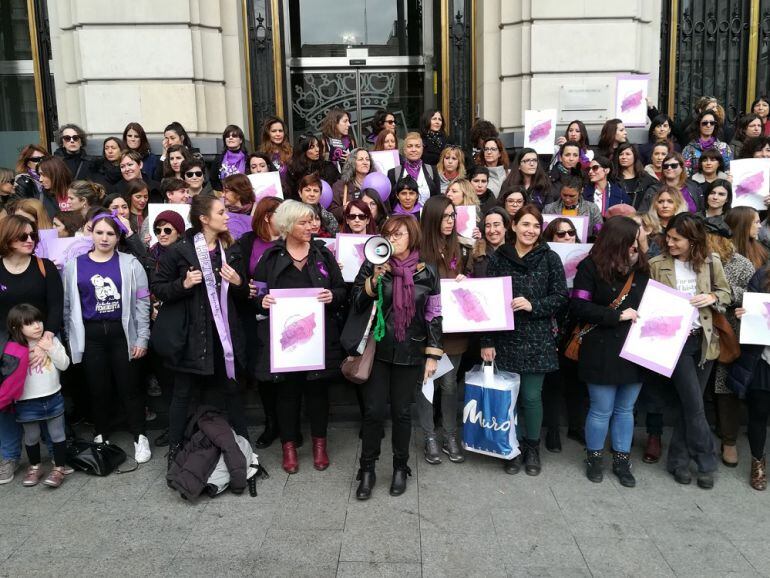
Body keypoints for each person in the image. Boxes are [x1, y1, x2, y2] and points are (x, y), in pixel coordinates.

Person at [151, 194, 250, 467]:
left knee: (232, 390)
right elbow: (158, 287)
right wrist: (182, 284)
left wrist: (239, 280)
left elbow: (244, 294)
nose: (227, 216)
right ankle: (175, 448)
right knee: (182, 394)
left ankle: (243, 444)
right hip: (191, 336)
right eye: (221, 213)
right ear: (204, 219)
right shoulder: (180, 251)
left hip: (224, 336)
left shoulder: (231, 249)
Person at [351, 215, 443, 499]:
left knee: (403, 413)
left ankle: (400, 468)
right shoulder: (374, 264)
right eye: (389, 233)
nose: (393, 238)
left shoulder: (427, 271)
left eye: (400, 234)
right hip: (378, 349)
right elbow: (355, 302)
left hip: (411, 350)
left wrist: (433, 355)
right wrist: (373, 279)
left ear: (412, 236)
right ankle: (367, 469)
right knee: (374, 411)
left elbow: (434, 314)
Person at [252, 200, 346, 474]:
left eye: (312, 221)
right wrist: (263, 302)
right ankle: (289, 447)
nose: (311, 226)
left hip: (318, 339)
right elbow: (256, 297)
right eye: (304, 222)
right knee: (287, 394)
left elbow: (341, 290)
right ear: (287, 225)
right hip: (286, 343)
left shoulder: (322, 254)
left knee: (318, 393)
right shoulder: (270, 258)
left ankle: (319, 445)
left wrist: (333, 296)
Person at [480, 205, 569, 476]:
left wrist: (534, 306)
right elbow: (487, 300)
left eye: (535, 226)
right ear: (514, 226)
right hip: (506, 338)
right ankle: (512, 446)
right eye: (525, 224)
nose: (530, 230)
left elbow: (562, 297)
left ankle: (532, 447)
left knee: (531, 397)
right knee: (510, 397)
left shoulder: (549, 258)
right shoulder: (498, 258)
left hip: (537, 338)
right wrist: (486, 341)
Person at [649, 213, 731, 488]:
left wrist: (712, 297)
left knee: (690, 405)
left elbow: (726, 293)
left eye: (676, 239)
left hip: (705, 339)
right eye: (668, 237)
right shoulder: (657, 264)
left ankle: (678, 461)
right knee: (695, 405)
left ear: (692, 240)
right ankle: (706, 462)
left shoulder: (710, 262)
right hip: (675, 343)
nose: (669, 242)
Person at [62, 212, 151, 462]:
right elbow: (68, 307)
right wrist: (71, 340)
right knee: (97, 388)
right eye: (99, 232)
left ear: (118, 236)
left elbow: (142, 303)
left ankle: (140, 435)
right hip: (91, 336)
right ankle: (101, 434)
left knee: (130, 387)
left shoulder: (131, 263)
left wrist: (142, 338)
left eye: (110, 233)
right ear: (91, 233)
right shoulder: (74, 265)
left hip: (122, 334)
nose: (104, 238)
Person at [571, 216, 650, 486]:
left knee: (626, 409)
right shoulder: (590, 267)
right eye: (634, 239)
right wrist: (615, 315)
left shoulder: (641, 268)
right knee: (601, 409)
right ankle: (594, 457)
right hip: (601, 347)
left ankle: (621, 459)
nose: (637, 244)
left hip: (635, 348)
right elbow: (579, 307)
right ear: (619, 239)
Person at [0, 216, 63, 484]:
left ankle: (56, 455)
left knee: (46, 394)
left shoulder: (43, 266)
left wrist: (44, 342)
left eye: (32, 236)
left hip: (42, 340)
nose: (30, 241)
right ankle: (9, 456)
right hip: (6, 346)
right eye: (23, 236)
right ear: (7, 239)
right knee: (6, 401)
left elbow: (57, 306)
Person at [418, 196, 471, 464]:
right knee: (427, 383)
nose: (450, 221)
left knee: (450, 384)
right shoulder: (418, 249)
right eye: (445, 216)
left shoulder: (461, 247)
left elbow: (473, 285)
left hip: (455, 329)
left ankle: (450, 434)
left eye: (453, 216)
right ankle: (429, 436)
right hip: (427, 329)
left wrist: (465, 280)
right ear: (432, 217)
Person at [705, 218, 754, 468]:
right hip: (700, 328)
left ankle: (729, 441)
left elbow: (751, 295)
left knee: (726, 386)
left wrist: (720, 293)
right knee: (700, 383)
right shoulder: (695, 260)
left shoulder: (742, 264)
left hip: (728, 332)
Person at [236, 196, 282, 448]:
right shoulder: (246, 242)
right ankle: (271, 422)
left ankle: (287, 423)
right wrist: (247, 287)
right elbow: (238, 278)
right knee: (264, 373)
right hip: (256, 317)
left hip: (286, 315)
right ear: (267, 216)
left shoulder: (289, 241)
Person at [7, 304, 70, 487]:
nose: (37, 326)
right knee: (31, 436)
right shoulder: (13, 348)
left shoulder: (50, 340)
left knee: (58, 434)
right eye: (29, 323)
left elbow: (64, 364)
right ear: (16, 328)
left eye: (38, 321)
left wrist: (50, 348)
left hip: (53, 396)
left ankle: (59, 468)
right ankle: (35, 467)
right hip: (26, 402)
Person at [732, 263, 770, 490]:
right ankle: (758, 462)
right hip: (762, 360)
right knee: (759, 412)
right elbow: (752, 314)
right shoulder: (763, 276)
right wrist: (744, 316)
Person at [638, 152, 702, 214]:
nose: (669, 168)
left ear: (682, 168)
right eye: (665, 166)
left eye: (673, 166)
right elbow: (643, 214)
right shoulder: (653, 190)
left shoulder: (693, 187)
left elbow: (701, 212)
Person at [387, 132, 440, 205]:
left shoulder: (432, 170)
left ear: (422, 149)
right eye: (410, 146)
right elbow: (390, 201)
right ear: (404, 150)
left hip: (427, 215)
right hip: (402, 216)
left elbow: (437, 198)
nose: (413, 149)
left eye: (417, 146)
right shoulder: (393, 173)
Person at [285, 133, 340, 198]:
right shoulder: (294, 170)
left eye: (317, 146)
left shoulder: (328, 167)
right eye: (312, 147)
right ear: (304, 150)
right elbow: (290, 194)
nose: (317, 150)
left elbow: (338, 188)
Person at [682, 110, 733, 176]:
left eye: (712, 123)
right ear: (698, 125)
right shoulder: (688, 149)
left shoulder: (724, 147)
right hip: (695, 184)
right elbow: (685, 174)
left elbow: (729, 171)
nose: (708, 125)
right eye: (704, 123)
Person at [330, 148, 375, 222]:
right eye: (360, 159)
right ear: (352, 163)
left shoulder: (377, 184)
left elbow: (385, 212)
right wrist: (344, 209)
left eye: (367, 159)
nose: (365, 162)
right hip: (349, 231)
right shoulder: (340, 186)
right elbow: (331, 214)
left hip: (372, 229)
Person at [612, 142, 658, 208]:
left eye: (628, 154)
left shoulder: (645, 178)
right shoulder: (613, 179)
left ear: (635, 156)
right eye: (621, 154)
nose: (623, 157)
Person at [471, 207, 509, 277]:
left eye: (496, 225)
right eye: (488, 226)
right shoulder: (477, 253)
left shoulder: (514, 253)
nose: (491, 230)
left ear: (505, 227)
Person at [210, 125, 249, 192]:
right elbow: (213, 180)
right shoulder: (218, 159)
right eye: (227, 136)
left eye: (234, 136)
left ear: (241, 140)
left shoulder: (248, 159)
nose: (230, 138)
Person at [444, 178, 481, 246]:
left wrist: (478, 239)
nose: (448, 194)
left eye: (454, 191)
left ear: (465, 194)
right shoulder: (441, 211)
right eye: (448, 191)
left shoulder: (476, 217)